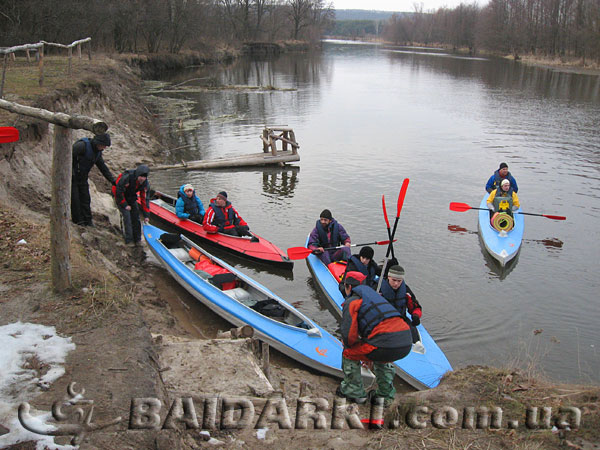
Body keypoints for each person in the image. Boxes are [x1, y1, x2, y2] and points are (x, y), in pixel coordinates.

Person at [337, 272, 414, 406]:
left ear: (348, 286)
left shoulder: (352, 301)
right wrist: (369, 356)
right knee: (382, 358)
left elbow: (349, 336)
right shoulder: (375, 297)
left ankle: (354, 392)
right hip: (406, 342)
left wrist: (356, 349)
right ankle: (385, 397)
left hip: (383, 342)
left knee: (349, 353)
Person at [71, 132, 115, 226]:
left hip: (83, 177)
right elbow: (67, 158)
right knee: (75, 199)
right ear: (98, 143)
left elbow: (102, 167)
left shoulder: (97, 152)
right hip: (72, 176)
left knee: (86, 199)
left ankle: (88, 220)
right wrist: (71, 173)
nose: (104, 148)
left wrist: (112, 181)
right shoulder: (81, 146)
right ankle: (78, 221)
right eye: (104, 145)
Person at [113, 164, 150, 246]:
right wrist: (125, 204)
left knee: (136, 217)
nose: (142, 179)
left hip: (131, 196)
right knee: (127, 217)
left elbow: (145, 199)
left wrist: (146, 215)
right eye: (141, 176)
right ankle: (129, 240)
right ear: (137, 175)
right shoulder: (127, 178)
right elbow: (118, 191)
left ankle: (137, 239)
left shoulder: (145, 184)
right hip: (120, 196)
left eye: (144, 177)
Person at [379, 265, 422, 335]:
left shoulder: (406, 291)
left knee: (413, 331)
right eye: (394, 280)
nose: (396, 283)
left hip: (400, 320)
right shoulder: (378, 290)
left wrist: (416, 316)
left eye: (399, 281)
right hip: (382, 322)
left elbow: (416, 308)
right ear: (388, 277)